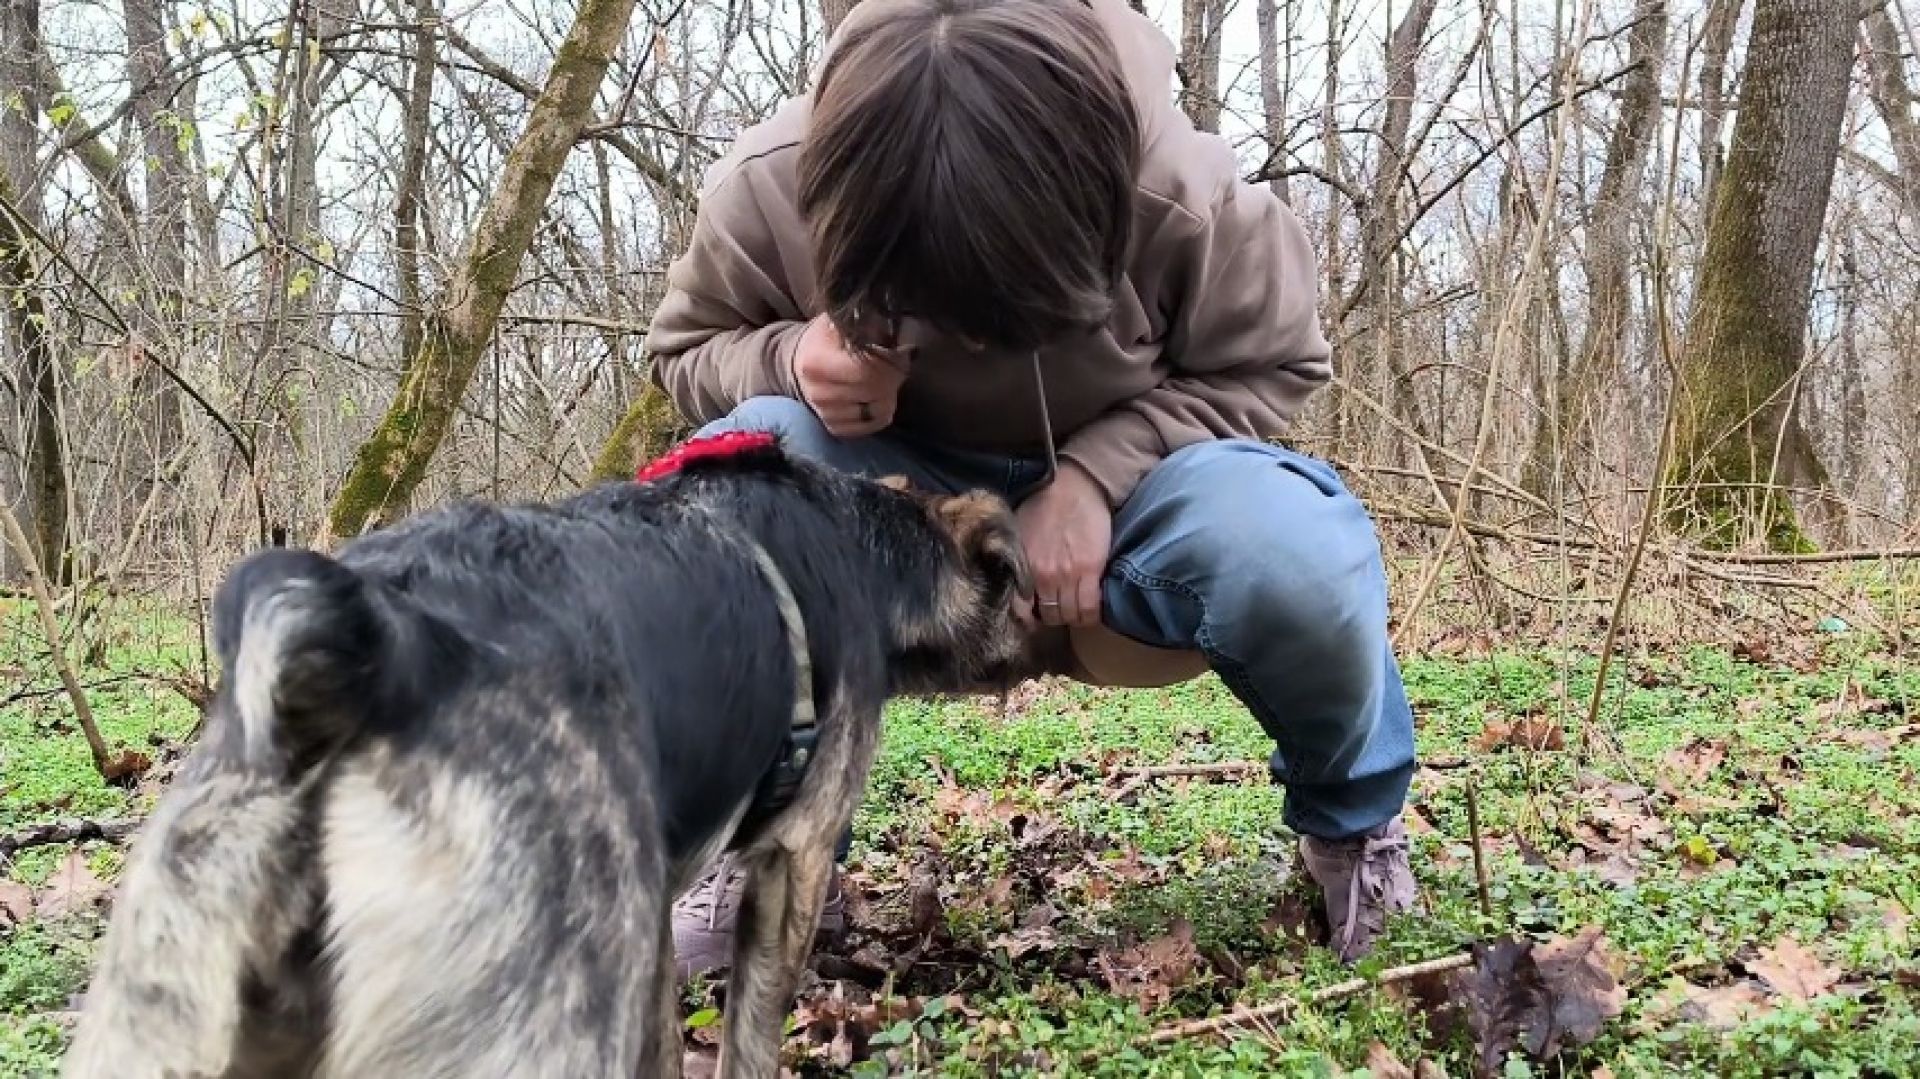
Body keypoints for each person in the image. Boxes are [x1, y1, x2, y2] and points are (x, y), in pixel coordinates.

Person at [642, 0, 1418, 973]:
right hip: (888, 513)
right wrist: (793, 356)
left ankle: (1353, 827)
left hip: (1143, 521)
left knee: (1290, 546)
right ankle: (767, 851)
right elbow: (683, 348)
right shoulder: (769, 183)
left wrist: (1095, 475)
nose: (963, 344)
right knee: (738, 472)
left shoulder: (1179, 192)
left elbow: (1278, 362)